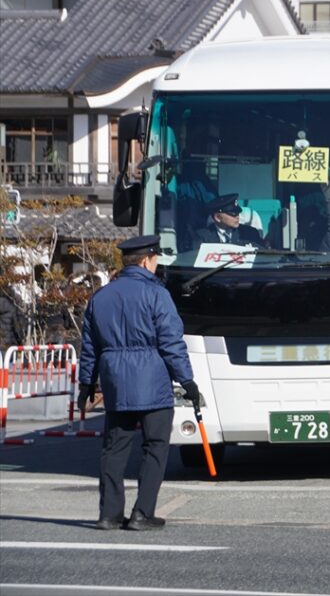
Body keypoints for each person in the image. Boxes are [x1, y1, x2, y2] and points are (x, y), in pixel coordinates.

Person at [77, 235, 202, 531]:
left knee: (113, 448)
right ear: (147, 260)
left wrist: (86, 384)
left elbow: (89, 346)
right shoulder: (157, 295)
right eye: (156, 259)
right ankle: (142, 513)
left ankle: (109, 514)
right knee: (155, 446)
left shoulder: (101, 297)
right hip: (152, 381)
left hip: (115, 383)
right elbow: (172, 343)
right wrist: (187, 380)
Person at [194, 194, 264, 247]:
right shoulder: (202, 236)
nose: (237, 217)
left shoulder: (249, 234)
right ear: (217, 217)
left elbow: (263, 256)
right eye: (233, 214)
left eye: (238, 213)